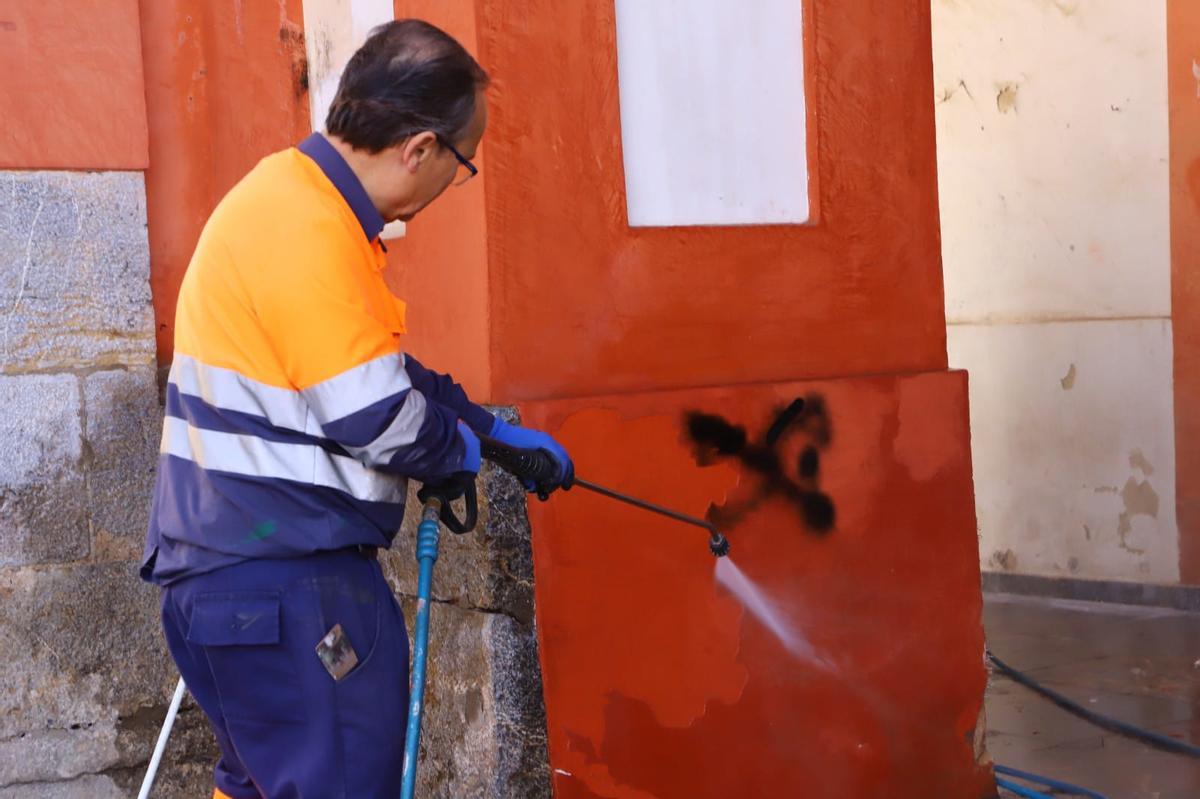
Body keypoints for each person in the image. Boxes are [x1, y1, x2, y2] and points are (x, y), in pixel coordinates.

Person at [140, 20, 572, 798]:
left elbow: (374, 371)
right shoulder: (308, 228)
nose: (453, 183)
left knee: (261, 783)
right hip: (289, 586)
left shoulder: (292, 203)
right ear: (420, 149)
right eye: (463, 163)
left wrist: (485, 427)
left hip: (232, 585)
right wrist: (458, 454)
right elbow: (374, 417)